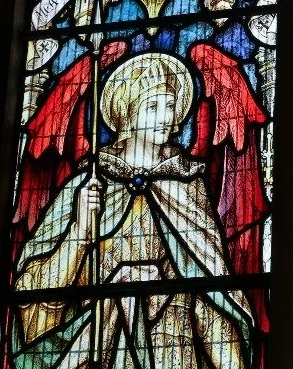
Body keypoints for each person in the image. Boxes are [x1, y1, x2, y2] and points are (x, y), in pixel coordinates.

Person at [13, 53, 253, 369]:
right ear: (128, 114)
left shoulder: (186, 184)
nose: (165, 117)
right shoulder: (90, 183)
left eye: (170, 106)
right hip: (102, 342)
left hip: (172, 342)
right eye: (152, 107)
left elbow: (212, 292)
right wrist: (81, 232)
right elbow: (39, 292)